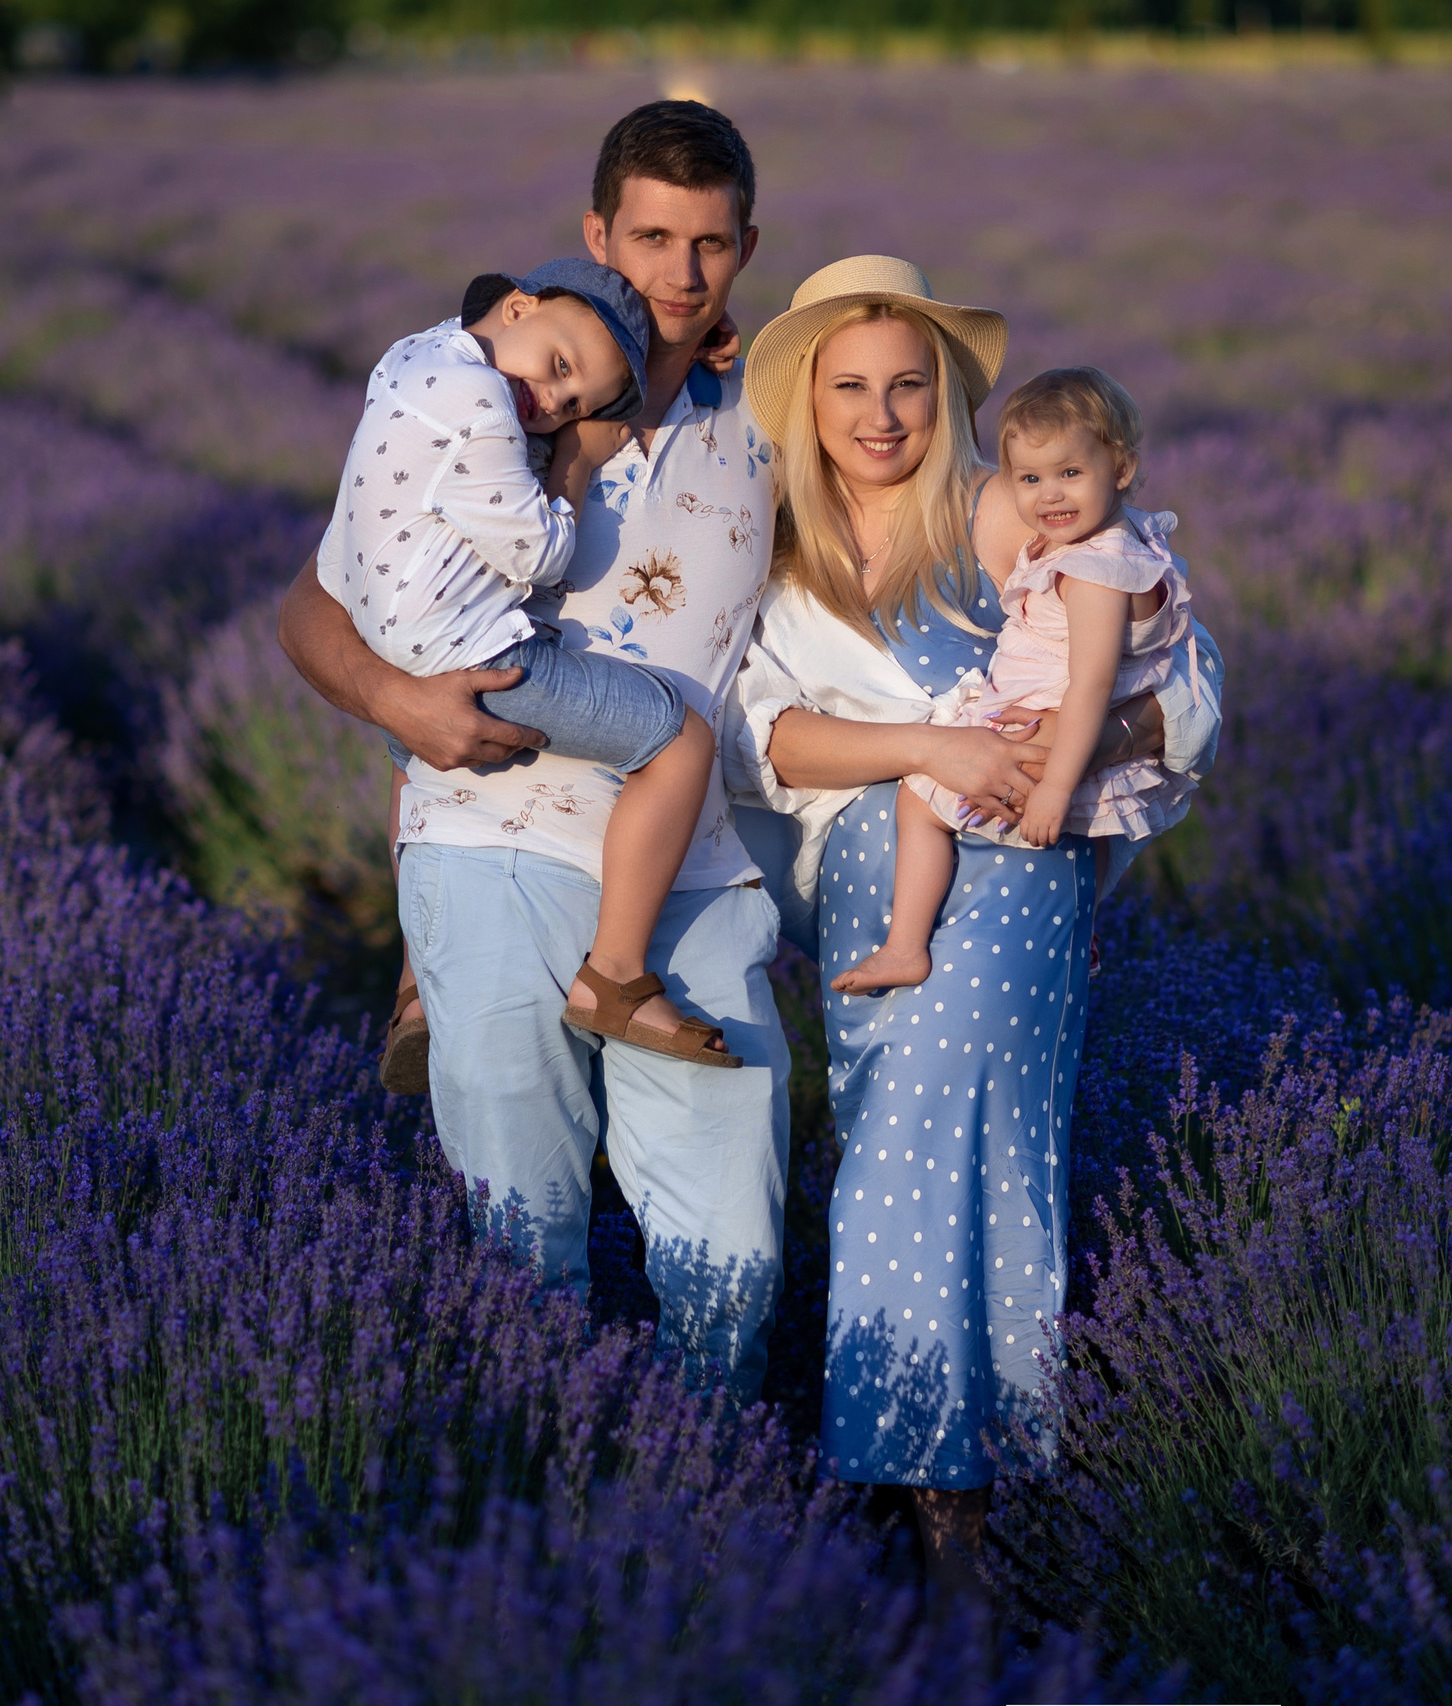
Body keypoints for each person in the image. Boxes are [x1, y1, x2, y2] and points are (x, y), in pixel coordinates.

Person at [722, 256, 1224, 1605]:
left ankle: (949, 1528)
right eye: (850, 388)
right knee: (902, 1150)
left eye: (907, 385)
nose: (881, 414)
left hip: (1012, 881)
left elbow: (1186, 680)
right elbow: (765, 735)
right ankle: (947, 1491)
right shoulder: (772, 558)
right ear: (807, 400)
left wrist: (1076, 743)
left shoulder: (1014, 514)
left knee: (938, 1159)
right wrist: (931, 738)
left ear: (945, 394)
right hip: (866, 901)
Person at [278, 100, 791, 1403]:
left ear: (746, 250)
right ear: (595, 237)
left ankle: (707, 1524)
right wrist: (398, 704)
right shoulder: (499, 409)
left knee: (730, 1255)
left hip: (697, 876)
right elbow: (311, 606)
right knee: (522, 1255)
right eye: (654, 238)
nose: (681, 273)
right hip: (494, 843)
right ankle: (555, 1537)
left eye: (712, 245)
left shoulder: (770, 423)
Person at [325, 257, 738, 1074]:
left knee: (412, 763)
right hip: (474, 652)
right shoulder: (484, 406)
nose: (550, 402)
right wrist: (575, 461)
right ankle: (615, 978)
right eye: (557, 368)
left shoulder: (414, 356)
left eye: (573, 403)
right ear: (517, 308)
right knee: (679, 741)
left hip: (390, 640)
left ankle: (414, 983)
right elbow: (541, 552)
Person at [831, 366, 1205, 995]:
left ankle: (904, 947)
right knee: (1089, 846)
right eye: (1028, 479)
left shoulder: (1094, 570)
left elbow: (1090, 685)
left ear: (1121, 469)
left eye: (1070, 474)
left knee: (919, 800)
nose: (1049, 497)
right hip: (1050, 724)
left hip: (1054, 736)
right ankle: (1080, 924)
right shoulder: (1106, 541)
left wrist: (1057, 785)